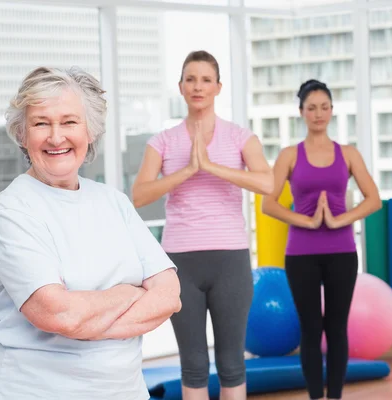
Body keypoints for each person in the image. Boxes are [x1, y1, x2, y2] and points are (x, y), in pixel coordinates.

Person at [0, 66, 181, 400]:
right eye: (41, 123)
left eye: (69, 121)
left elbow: (169, 295)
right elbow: (58, 313)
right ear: (22, 134)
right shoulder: (12, 211)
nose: (56, 136)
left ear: (90, 131)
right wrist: (128, 294)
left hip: (125, 391)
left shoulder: (113, 202)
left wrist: (86, 320)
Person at [131, 50, 273, 400]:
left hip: (230, 259)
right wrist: (187, 171)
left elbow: (268, 184)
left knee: (231, 363)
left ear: (218, 86)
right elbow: (138, 195)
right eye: (191, 79)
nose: (198, 86)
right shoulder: (162, 142)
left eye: (206, 79)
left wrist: (211, 166)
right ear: (180, 87)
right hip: (181, 262)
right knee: (192, 364)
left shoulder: (240, 137)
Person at [262, 79, 381, 400]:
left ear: (331, 111)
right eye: (311, 108)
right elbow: (268, 203)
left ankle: (336, 397)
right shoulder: (289, 155)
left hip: (342, 250)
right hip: (301, 253)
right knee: (312, 330)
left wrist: (339, 220)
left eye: (324, 107)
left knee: (337, 328)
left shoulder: (348, 153)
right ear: (301, 112)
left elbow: (374, 199)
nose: (318, 113)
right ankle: (316, 396)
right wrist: (308, 221)